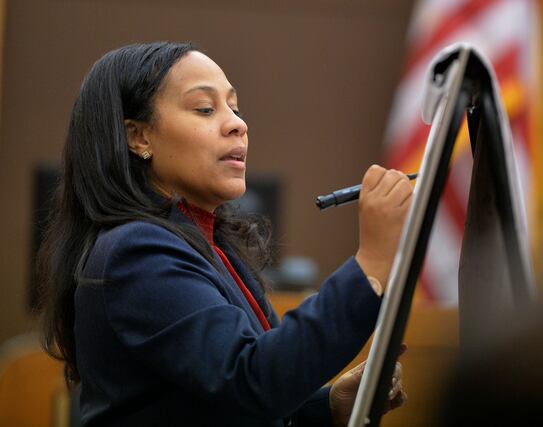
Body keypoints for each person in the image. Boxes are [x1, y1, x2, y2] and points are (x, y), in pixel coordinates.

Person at [37, 42, 414, 426]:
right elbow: (251, 382)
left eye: (235, 108)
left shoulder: (207, 244)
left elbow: (225, 406)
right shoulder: (135, 251)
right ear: (138, 137)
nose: (239, 123)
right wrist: (372, 261)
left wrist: (329, 406)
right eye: (205, 108)